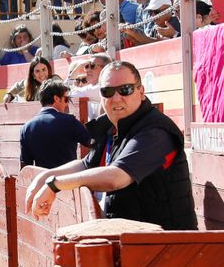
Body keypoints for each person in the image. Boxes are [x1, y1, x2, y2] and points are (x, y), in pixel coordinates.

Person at [24, 61, 196, 231]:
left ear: (141, 92)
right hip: (137, 243)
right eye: (107, 92)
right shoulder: (113, 126)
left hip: (167, 246)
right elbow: (85, 165)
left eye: (125, 90)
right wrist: (45, 177)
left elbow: (117, 177)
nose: (116, 98)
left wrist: (55, 184)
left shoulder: (155, 130)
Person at [19, 80, 91, 169]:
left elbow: (25, 166)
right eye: (66, 99)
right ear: (56, 98)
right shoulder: (69, 121)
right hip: (67, 180)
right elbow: (91, 142)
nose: (67, 103)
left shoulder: (26, 128)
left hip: (43, 180)